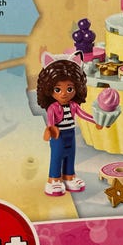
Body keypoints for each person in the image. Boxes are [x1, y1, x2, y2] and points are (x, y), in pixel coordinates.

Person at [36, 51, 100, 196]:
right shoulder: (52, 108)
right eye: (57, 89)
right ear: (48, 89)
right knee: (57, 156)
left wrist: (95, 121)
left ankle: (69, 176)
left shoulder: (73, 105)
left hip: (70, 134)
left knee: (70, 155)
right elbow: (50, 122)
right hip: (58, 135)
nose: (64, 93)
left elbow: (83, 114)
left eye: (69, 89)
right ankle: (53, 179)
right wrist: (51, 130)